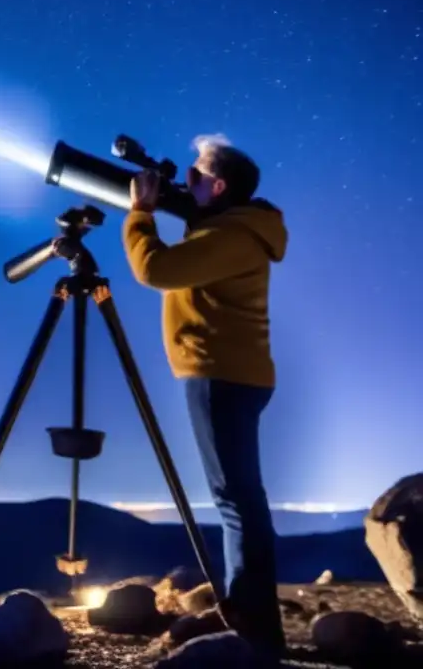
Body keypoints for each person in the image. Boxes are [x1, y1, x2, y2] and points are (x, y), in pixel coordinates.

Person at [122, 134, 289, 654]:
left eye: (195, 174)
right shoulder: (233, 228)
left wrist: (141, 215)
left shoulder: (234, 236)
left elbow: (157, 270)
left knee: (237, 502)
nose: (185, 180)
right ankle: (253, 619)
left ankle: (254, 627)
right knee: (239, 498)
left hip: (221, 375)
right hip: (231, 374)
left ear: (218, 186)